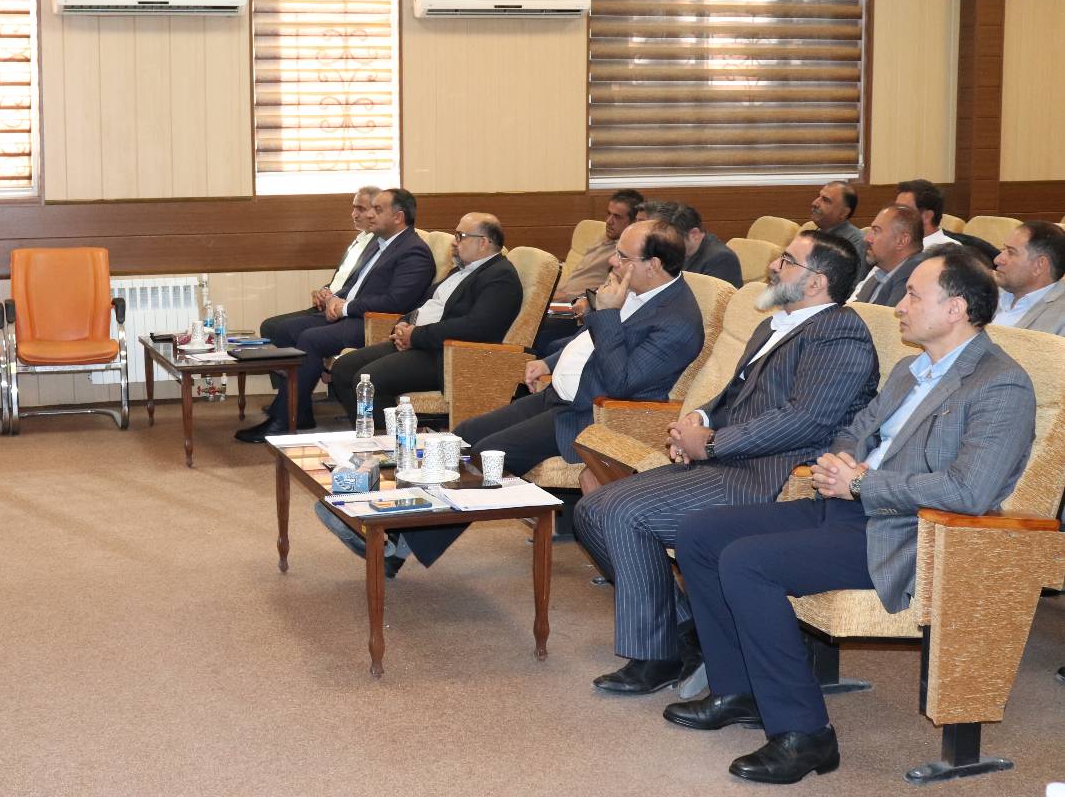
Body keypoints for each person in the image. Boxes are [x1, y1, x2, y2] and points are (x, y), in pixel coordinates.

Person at [665, 246, 1034, 785]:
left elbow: (969, 490)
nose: (900, 305)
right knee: (700, 532)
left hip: (913, 533)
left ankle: (806, 733)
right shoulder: (911, 368)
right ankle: (739, 689)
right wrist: (841, 461)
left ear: (955, 308)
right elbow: (853, 429)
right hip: (845, 506)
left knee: (747, 562)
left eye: (914, 295)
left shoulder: (1000, 383)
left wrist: (862, 482)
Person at [576, 230, 878, 696]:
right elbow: (734, 395)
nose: (773, 266)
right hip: (732, 461)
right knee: (594, 508)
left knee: (618, 511)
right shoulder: (775, 324)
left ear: (816, 282)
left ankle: (661, 653)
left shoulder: (838, 331)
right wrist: (697, 419)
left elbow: (806, 420)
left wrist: (712, 443)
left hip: (771, 476)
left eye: (787, 260)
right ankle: (684, 634)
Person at [384, 219, 704, 572]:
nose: (613, 262)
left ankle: (401, 543)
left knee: (488, 454)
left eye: (623, 257)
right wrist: (549, 362)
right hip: (561, 398)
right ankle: (405, 523)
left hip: (592, 417)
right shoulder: (638, 288)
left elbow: (621, 383)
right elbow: (590, 342)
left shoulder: (677, 322)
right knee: (464, 434)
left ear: (653, 264)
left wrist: (608, 313)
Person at [235, 188, 434, 443]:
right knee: (283, 329)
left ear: (398, 217)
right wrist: (332, 297)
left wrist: (345, 307)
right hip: (351, 313)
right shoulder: (377, 244)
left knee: (311, 339)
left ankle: (282, 421)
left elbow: (397, 302)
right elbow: (353, 284)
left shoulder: (414, 251)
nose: (370, 215)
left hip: (374, 322)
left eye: (377, 210)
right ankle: (299, 410)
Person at [329, 213, 521, 420]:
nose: (454, 242)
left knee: (369, 380)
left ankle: (387, 436)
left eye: (460, 236)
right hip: (420, 343)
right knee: (342, 368)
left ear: (483, 243)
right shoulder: (459, 271)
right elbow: (424, 305)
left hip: (448, 356)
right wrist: (403, 324)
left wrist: (415, 335)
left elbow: (476, 327)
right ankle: (367, 432)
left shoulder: (500, 277)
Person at [259, 186, 381, 342]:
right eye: (354, 208)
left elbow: (360, 286)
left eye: (361, 209)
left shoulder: (379, 245)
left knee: (284, 329)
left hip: (341, 309)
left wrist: (333, 297)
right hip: (326, 303)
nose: (354, 214)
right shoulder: (359, 240)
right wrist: (325, 290)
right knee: (269, 326)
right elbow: (344, 278)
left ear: (377, 212)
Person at [533, 189, 643, 352]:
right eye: (608, 214)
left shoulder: (625, 255)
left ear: (633, 223)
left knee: (539, 334)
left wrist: (565, 297)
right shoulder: (603, 238)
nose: (609, 221)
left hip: (580, 310)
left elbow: (606, 292)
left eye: (617, 217)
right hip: (563, 303)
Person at [639, 201, 741, 288]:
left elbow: (709, 303)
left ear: (694, 234)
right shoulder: (673, 249)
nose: (662, 245)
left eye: (671, 239)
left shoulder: (721, 259)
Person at [894, 178, 1000, 262]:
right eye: (895, 209)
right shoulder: (897, 243)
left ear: (926, 216)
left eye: (903, 210)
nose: (895, 215)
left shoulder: (949, 253)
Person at [991, 221, 1065, 334]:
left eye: (1011, 252)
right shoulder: (989, 292)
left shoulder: (1060, 318)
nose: (997, 260)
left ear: (1039, 265)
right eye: (1003, 250)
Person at [851, 204, 924, 305]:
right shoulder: (880, 274)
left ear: (901, 241)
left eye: (876, 231)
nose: (867, 238)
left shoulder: (914, 281)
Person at [809, 180, 868, 278]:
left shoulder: (856, 242)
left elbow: (853, 283)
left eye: (825, 200)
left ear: (843, 212)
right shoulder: (813, 235)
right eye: (818, 196)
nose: (815, 203)